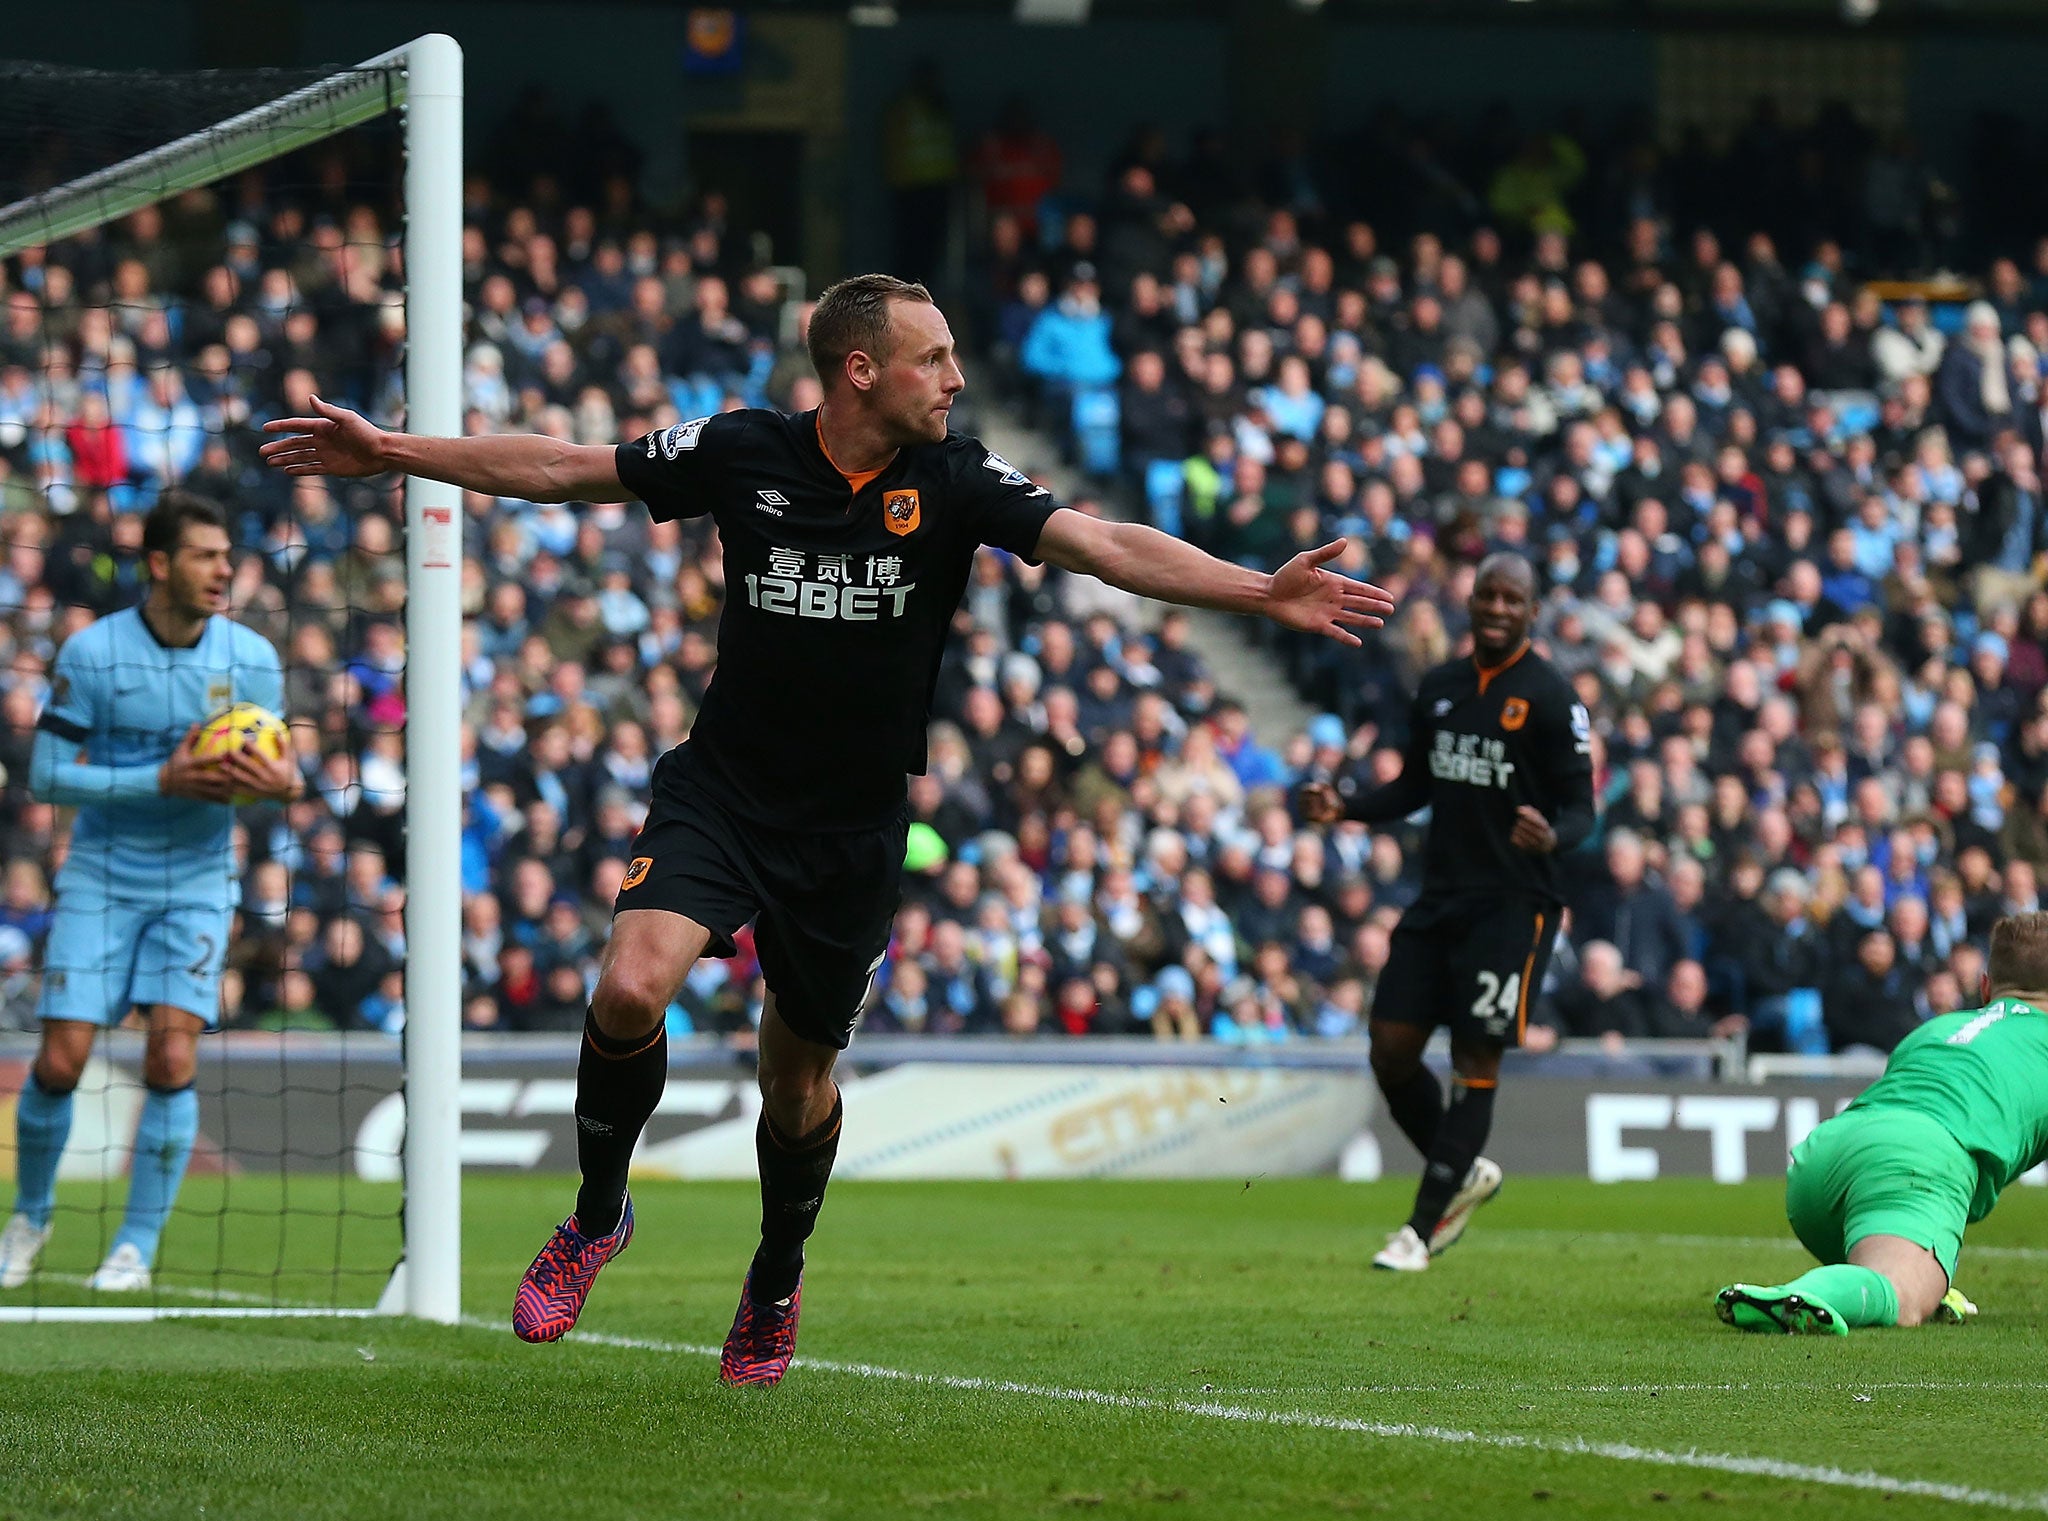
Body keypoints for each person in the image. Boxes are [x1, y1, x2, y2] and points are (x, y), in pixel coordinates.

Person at [261, 272, 1392, 1383]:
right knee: (624, 991)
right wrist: (395, 452)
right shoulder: (743, 448)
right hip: (724, 791)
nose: (955, 378)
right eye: (932, 358)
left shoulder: (952, 479)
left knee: (794, 1086)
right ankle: (597, 1218)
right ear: (861, 370)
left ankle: (775, 1276)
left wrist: (1256, 592)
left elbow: (1099, 543)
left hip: (849, 833)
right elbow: (564, 468)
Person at [0, 493, 296, 1293]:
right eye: (206, 555)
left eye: (228, 556)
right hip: (101, 875)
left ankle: (133, 1246)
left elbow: (285, 774)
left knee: (171, 1055)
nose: (225, 569)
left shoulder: (252, 660)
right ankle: (29, 1216)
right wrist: (159, 777)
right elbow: (49, 774)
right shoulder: (93, 654)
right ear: (159, 564)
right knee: (60, 1059)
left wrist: (281, 782)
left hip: (197, 882)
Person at [1300, 552, 1594, 1272]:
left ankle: (1420, 1230)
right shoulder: (1440, 687)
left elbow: (1584, 806)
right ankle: (1459, 1170)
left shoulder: (1554, 698)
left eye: (1511, 598)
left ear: (1532, 610)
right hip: (1440, 899)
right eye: (1486, 595)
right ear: (1470, 604)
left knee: (1473, 1059)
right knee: (1390, 1049)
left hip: (1514, 906)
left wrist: (1554, 835)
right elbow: (1412, 788)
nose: (1496, 607)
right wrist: (1349, 807)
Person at [1716, 911, 2048, 1334]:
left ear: (1984, 987)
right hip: (1913, 1164)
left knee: (1905, 1263)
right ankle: (1810, 1294)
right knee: (1902, 1296)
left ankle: (1901, 1273)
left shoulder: (1939, 1028)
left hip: (1825, 1164)